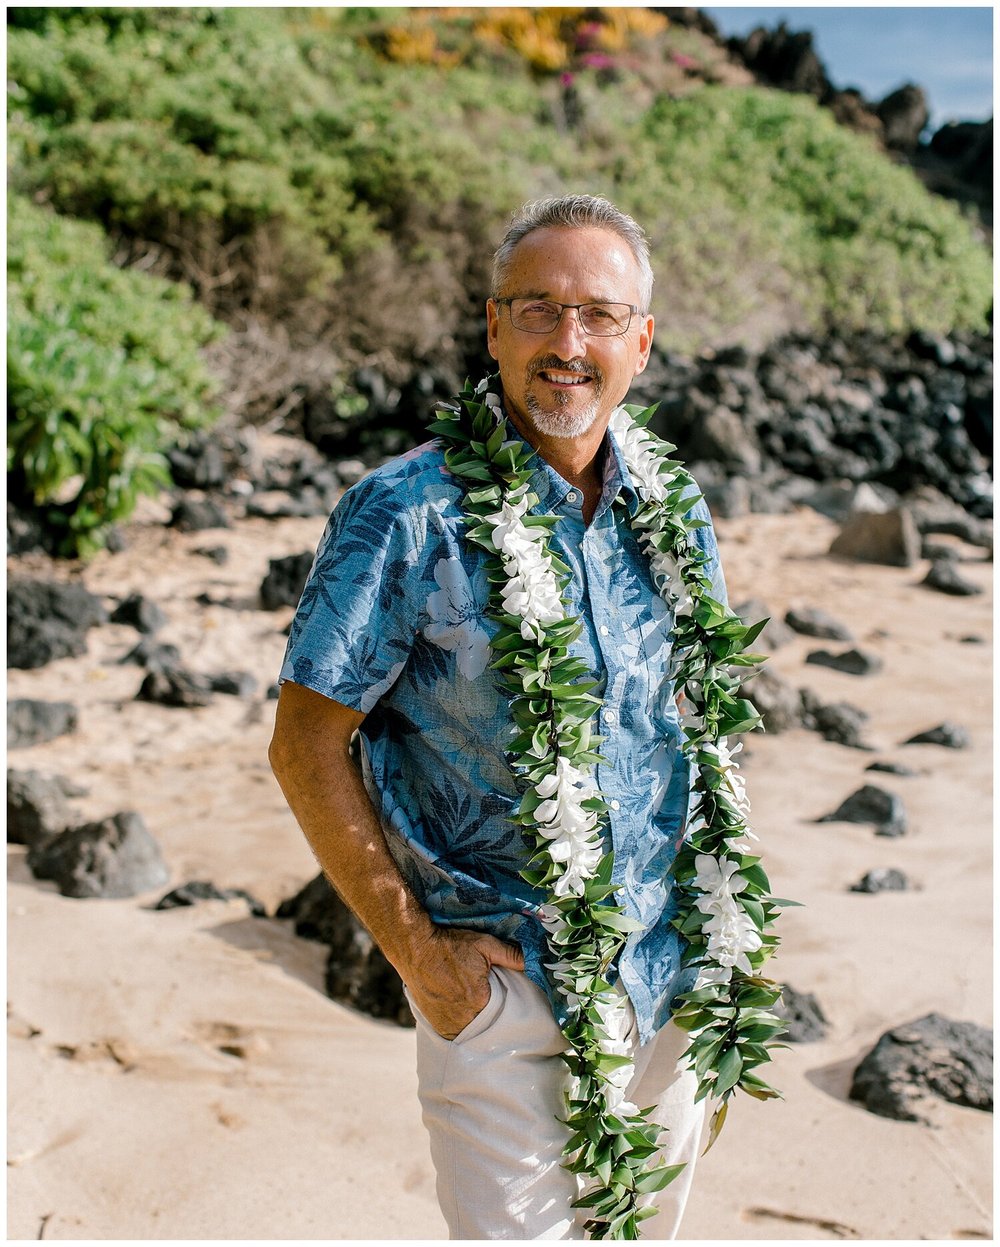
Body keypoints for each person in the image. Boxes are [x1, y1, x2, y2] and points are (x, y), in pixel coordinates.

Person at [269, 194, 728, 1240]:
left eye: (600, 315)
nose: (568, 343)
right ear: (491, 325)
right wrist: (418, 953)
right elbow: (304, 741)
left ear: (642, 341)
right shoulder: (405, 510)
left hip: (666, 977)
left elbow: (698, 730)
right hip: (501, 987)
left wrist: (725, 963)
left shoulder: (675, 507)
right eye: (538, 308)